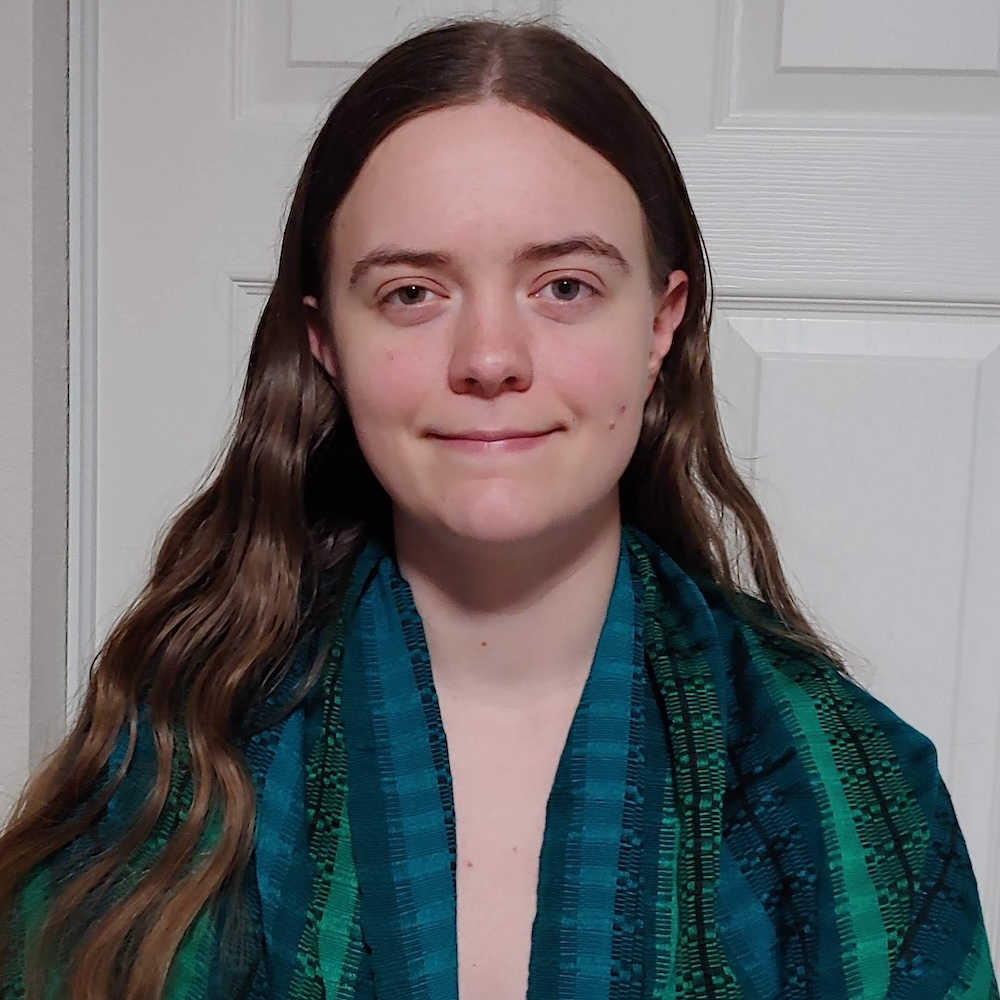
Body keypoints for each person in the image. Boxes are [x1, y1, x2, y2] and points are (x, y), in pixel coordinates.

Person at [0, 16, 995, 1000]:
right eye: (410, 293)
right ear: (325, 339)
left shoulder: (851, 785)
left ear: (660, 322)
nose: (488, 358)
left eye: (563, 286)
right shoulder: (167, 760)